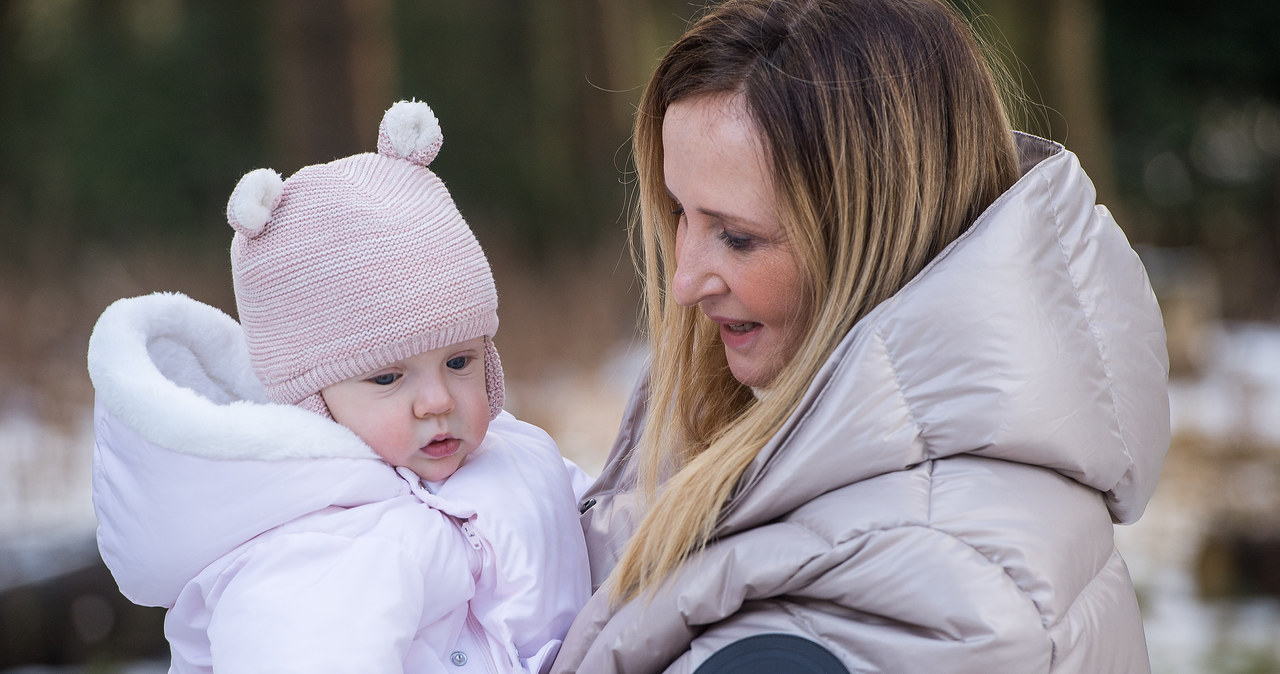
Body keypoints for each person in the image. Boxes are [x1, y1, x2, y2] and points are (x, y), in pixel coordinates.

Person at [551, 1, 1170, 672]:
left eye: (737, 236)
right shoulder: (971, 486)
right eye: (679, 213)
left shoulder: (887, 613)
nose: (684, 281)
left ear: (868, 237)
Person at [87, 100, 591, 673]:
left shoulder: (518, 455)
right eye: (386, 376)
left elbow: (612, 540)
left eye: (459, 361)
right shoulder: (315, 550)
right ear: (311, 400)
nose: (438, 401)